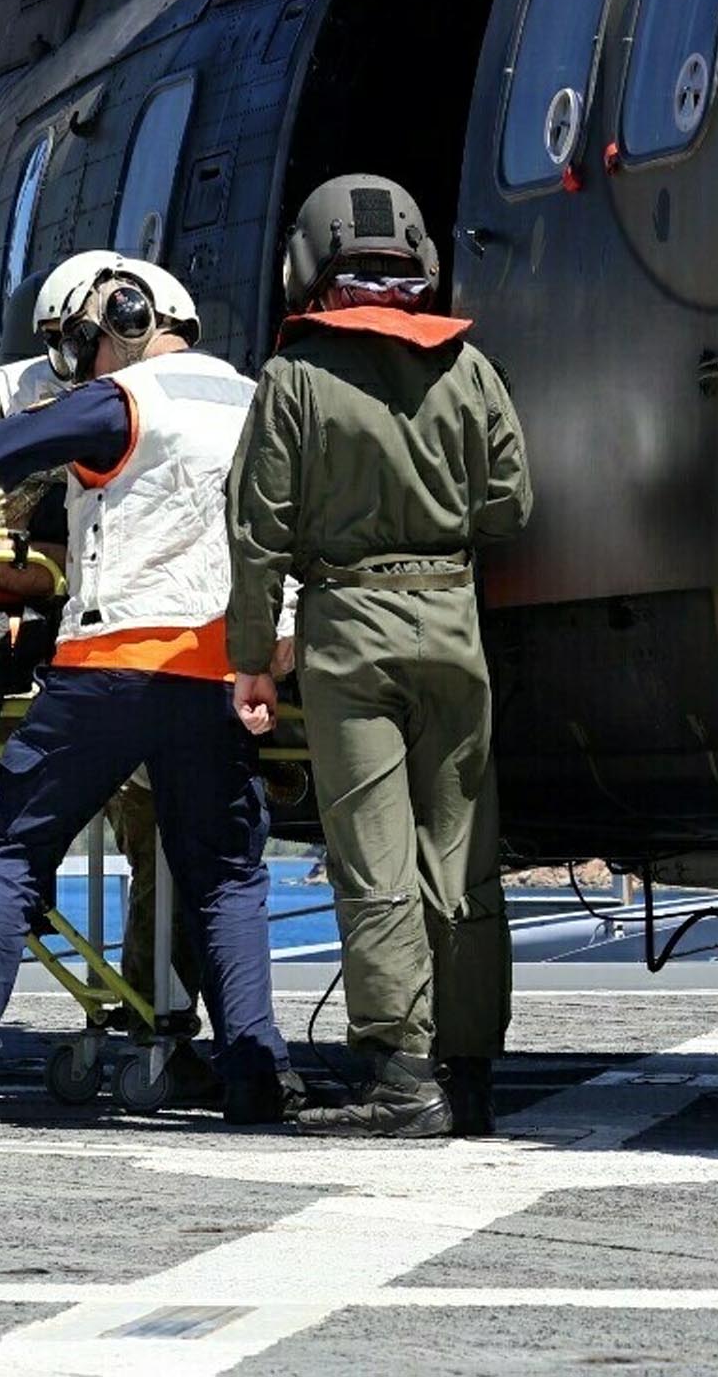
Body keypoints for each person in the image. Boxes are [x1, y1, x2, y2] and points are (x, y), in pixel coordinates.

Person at [0, 259, 297, 1125]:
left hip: (107, 668)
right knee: (225, 875)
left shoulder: (124, 400)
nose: (83, 363)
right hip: (216, 673)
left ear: (131, 316)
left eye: (84, 343)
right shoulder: (262, 402)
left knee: (9, 847)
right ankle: (256, 1071)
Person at [226, 176, 532, 1137]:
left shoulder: (297, 378)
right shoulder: (468, 366)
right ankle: (471, 1073)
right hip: (453, 623)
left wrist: (251, 661)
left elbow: (256, 533)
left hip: (349, 630)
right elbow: (511, 505)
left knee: (375, 857)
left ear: (311, 264)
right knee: (462, 856)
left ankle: (403, 1080)